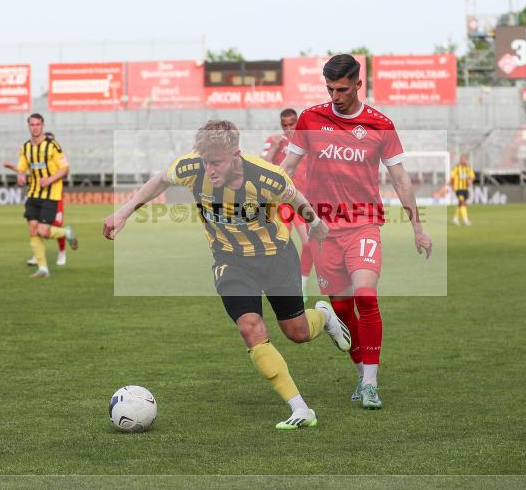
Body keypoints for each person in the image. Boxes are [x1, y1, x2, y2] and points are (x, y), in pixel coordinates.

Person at [103, 120, 352, 430]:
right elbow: (159, 180)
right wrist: (123, 212)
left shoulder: (266, 176)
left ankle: (324, 317)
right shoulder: (192, 167)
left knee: (297, 333)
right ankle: (300, 408)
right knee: (251, 328)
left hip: (276, 258)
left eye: (216, 162)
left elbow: (296, 198)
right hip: (230, 261)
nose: (209, 169)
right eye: (206, 162)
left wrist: (314, 223)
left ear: (236, 153)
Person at [281, 54, 433, 410]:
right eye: (330, 89)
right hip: (323, 230)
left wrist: (417, 226)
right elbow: (287, 167)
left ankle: (370, 383)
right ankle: (358, 367)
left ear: (358, 85)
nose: (335, 96)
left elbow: (400, 178)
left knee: (365, 297)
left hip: (364, 224)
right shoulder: (310, 118)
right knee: (341, 309)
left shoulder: (380, 124)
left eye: (343, 89)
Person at [14, 114, 78, 278]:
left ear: (42, 126)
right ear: (28, 126)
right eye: (32, 124)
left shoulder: (53, 146)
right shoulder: (25, 148)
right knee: (33, 230)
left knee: (43, 231)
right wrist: (20, 176)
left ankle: (66, 232)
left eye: (38, 124)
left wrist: (49, 179)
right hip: (33, 193)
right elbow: (22, 168)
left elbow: (65, 169)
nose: (35, 127)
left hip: (51, 194)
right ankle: (43, 269)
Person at [262, 108, 314, 300]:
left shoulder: (307, 142)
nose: (289, 128)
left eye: (292, 124)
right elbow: (263, 165)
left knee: (309, 244)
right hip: (282, 202)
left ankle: (302, 285)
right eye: (285, 125)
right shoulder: (274, 141)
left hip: (302, 202)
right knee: (278, 245)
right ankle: (278, 285)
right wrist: (275, 148)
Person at [4, 131, 68, 266]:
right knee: (35, 227)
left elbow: (64, 171)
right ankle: (37, 255)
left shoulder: (56, 160)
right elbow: (27, 171)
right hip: (37, 196)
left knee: (55, 226)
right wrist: (13, 168)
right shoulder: (35, 157)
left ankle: (62, 251)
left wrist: (51, 178)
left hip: (54, 197)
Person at [450, 154, 475, 226]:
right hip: (458, 188)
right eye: (462, 159)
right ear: (460, 160)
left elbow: (472, 176)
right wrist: (452, 186)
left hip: (465, 189)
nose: (463, 161)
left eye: (465, 159)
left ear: (466, 160)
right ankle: (465, 220)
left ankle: (455, 218)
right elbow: (452, 177)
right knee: (463, 202)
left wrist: (470, 180)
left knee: (460, 204)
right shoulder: (457, 168)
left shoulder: (468, 168)